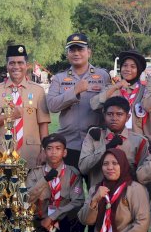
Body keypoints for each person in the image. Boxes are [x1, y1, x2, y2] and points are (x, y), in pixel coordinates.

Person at [74, 149, 151, 232]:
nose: (110, 167)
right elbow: (85, 220)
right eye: (105, 164)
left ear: (123, 164)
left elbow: (142, 222)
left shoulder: (135, 189)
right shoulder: (96, 189)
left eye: (115, 163)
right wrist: (95, 200)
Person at [46, 33, 110, 167]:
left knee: (95, 187)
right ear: (67, 54)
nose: (76, 53)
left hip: (96, 143)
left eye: (80, 49)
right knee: (72, 187)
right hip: (70, 144)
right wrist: (74, 91)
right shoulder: (59, 78)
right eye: (72, 50)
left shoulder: (103, 76)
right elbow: (52, 105)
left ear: (89, 52)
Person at [0, 45, 50, 166]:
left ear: (27, 65)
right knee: (4, 185)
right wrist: (10, 116)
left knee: (32, 185)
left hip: (31, 155)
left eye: (20, 63)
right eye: (12, 63)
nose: (16, 67)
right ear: (7, 65)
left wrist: (44, 150)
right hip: (3, 156)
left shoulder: (38, 91)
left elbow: (43, 124)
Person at [25, 134, 86, 232]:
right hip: (41, 221)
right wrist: (44, 180)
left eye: (58, 148)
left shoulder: (72, 173)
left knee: (79, 214)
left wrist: (54, 216)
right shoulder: (35, 173)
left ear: (64, 152)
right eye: (49, 148)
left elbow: (78, 201)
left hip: (63, 220)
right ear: (44, 152)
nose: (54, 152)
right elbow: (26, 199)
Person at [79, 96, 150, 189]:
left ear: (127, 117)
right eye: (110, 114)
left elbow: (144, 176)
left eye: (119, 114)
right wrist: (106, 148)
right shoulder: (94, 136)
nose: (114, 118)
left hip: (126, 196)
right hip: (98, 194)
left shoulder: (139, 141)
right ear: (104, 115)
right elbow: (83, 167)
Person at [92, 50, 151, 138]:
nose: (128, 69)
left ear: (138, 70)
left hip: (142, 143)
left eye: (133, 67)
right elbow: (94, 105)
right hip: (115, 143)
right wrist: (116, 86)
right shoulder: (112, 89)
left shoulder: (146, 90)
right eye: (125, 65)